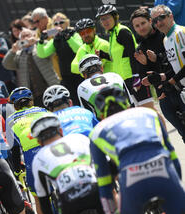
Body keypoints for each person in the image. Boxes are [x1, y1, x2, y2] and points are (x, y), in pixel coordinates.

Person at [89, 85, 185, 214]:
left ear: (101, 114)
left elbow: (104, 185)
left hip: (132, 181)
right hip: (164, 174)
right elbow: (173, 157)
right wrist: (175, 186)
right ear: (126, 104)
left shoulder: (97, 131)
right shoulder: (149, 114)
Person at [30, 113, 111, 214]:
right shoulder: (79, 138)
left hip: (69, 201)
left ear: (39, 142)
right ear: (60, 131)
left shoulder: (38, 159)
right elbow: (106, 164)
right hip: (94, 192)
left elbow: (44, 200)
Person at [130, 7, 185, 141]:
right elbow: (146, 77)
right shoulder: (140, 47)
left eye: (143, 23)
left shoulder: (165, 35)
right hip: (163, 93)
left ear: (150, 22)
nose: (141, 28)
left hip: (177, 88)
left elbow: (171, 63)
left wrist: (157, 59)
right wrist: (145, 65)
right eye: (137, 26)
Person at [2, 28, 60, 107]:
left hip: (50, 89)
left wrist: (37, 41)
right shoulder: (18, 54)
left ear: (34, 36)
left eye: (27, 35)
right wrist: (12, 51)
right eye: (22, 37)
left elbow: (52, 48)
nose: (25, 38)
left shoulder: (40, 46)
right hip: (31, 96)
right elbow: (6, 64)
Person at [37, 13, 84, 105]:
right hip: (66, 76)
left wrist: (68, 37)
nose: (59, 25)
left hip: (79, 74)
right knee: (71, 102)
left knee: (82, 100)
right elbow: (42, 54)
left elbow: (79, 49)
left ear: (67, 23)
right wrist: (41, 41)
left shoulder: (73, 34)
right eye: (56, 24)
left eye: (61, 22)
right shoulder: (56, 39)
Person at [96, 4, 138, 92]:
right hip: (121, 80)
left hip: (131, 78)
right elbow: (119, 57)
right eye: (102, 19)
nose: (105, 21)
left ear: (115, 17)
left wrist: (136, 77)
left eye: (107, 17)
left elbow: (133, 54)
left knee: (144, 105)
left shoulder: (122, 31)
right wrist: (103, 55)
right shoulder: (112, 35)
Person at [76, 54, 133, 119]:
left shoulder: (82, 87)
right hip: (127, 116)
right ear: (102, 68)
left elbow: (88, 116)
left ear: (84, 74)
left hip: (104, 122)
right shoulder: (115, 75)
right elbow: (131, 102)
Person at [31, 7, 61, 79]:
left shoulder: (57, 25)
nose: (36, 25)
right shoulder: (36, 33)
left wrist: (39, 41)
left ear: (45, 18)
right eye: (34, 22)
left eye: (37, 21)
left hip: (62, 67)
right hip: (50, 74)